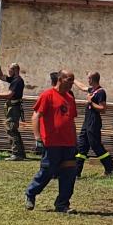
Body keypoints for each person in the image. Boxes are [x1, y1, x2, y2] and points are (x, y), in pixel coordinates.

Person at [25, 69, 79, 213]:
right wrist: (37, 138)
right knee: (47, 171)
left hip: (68, 144)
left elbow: (71, 121)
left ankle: (62, 204)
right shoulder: (47, 95)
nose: (72, 84)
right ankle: (31, 193)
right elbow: (36, 116)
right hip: (51, 143)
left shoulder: (70, 98)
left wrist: (75, 141)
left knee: (69, 174)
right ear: (60, 79)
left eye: (73, 80)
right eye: (69, 80)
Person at [75, 72, 113, 176]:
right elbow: (82, 87)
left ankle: (110, 168)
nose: (87, 80)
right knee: (82, 145)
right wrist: (73, 80)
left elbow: (103, 109)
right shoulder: (92, 90)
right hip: (87, 121)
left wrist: (91, 102)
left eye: (88, 78)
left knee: (95, 145)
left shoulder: (101, 92)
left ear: (92, 79)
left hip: (94, 122)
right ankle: (76, 172)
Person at [0, 60, 27, 159]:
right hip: (12, 107)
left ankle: (16, 154)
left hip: (14, 108)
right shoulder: (13, 79)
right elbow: (0, 76)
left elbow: (9, 94)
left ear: (15, 70)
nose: (8, 72)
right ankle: (20, 153)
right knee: (13, 129)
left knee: (11, 129)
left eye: (10, 70)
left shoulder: (17, 80)